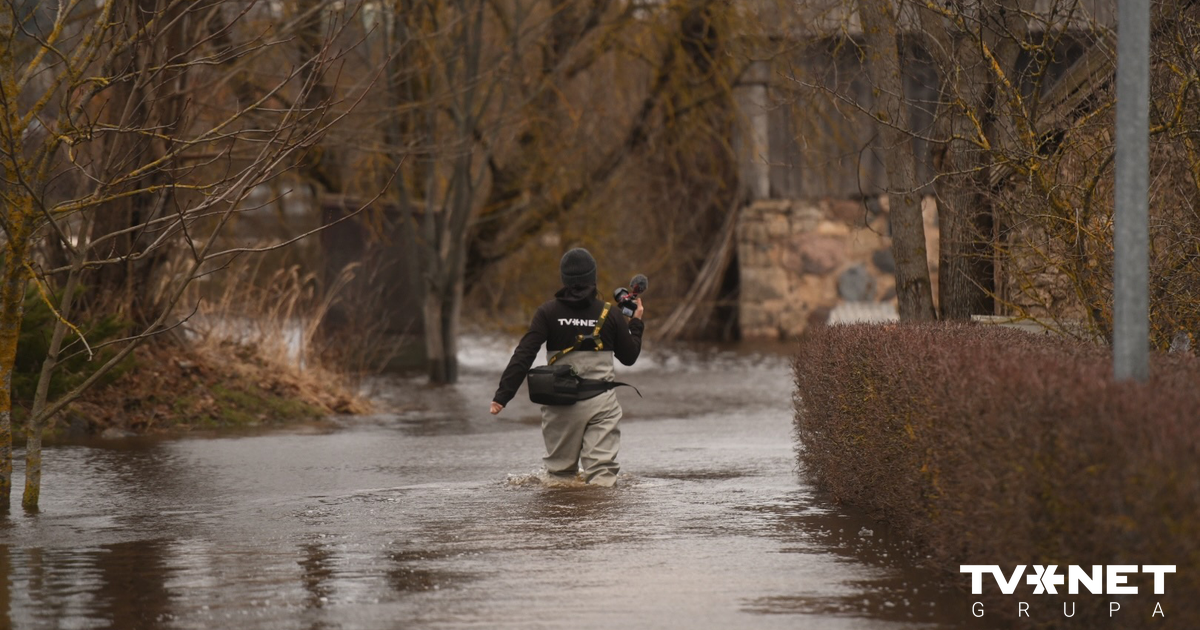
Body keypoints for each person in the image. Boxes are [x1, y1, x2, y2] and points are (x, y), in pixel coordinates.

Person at [489, 248, 644, 487]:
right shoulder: (611, 313)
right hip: (601, 405)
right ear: (593, 278)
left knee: (559, 478)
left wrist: (503, 396)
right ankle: (603, 512)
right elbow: (630, 357)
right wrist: (636, 323)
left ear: (564, 279)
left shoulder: (547, 312)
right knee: (602, 475)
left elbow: (524, 354)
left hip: (560, 405)